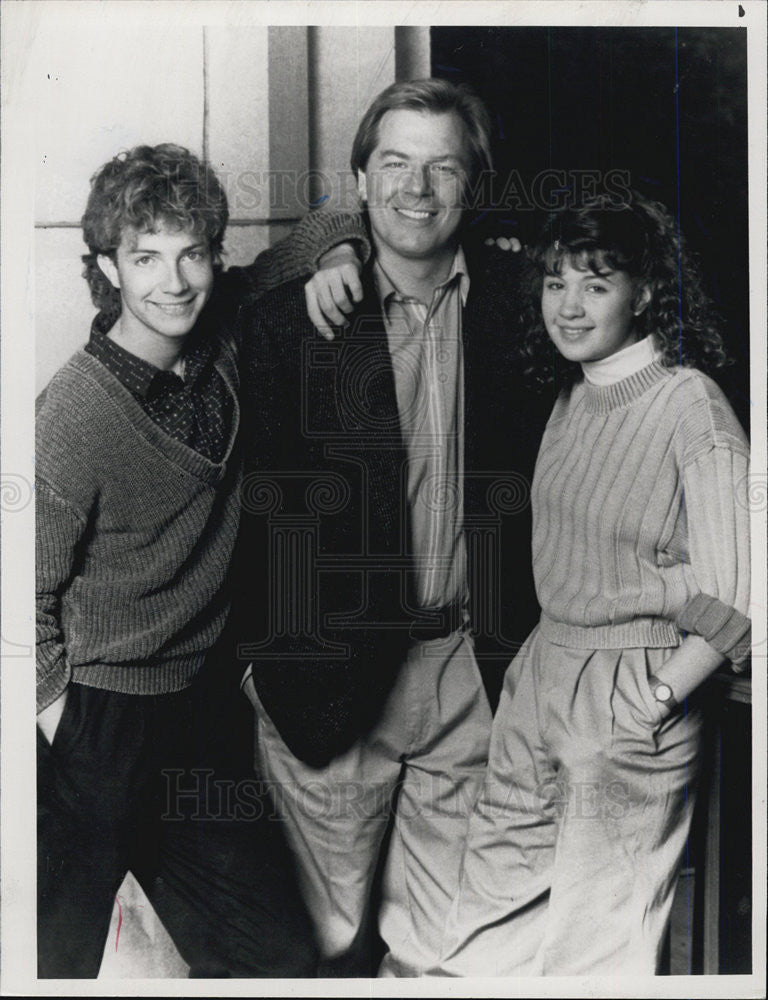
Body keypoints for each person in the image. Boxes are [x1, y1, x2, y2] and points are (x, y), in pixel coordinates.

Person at [233, 79, 549, 976]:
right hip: (326, 675)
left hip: (468, 672)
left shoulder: (521, 308)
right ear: (361, 181)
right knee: (322, 946)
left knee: (439, 950)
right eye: (395, 165)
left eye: (443, 167)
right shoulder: (292, 317)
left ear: (474, 186)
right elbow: (248, 506)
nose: (418, 188)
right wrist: (265, 666)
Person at [35, 142, 371, 978]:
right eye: (145, 257)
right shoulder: (72, 413)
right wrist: (63, 726)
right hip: (96, 722)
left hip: (199, 717)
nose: (173, 281)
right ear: (107, 268)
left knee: (277, 958)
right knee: (48, 964)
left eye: (192, 253)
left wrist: (338, 251)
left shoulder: (219, 337)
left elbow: (322, 222)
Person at [434, 191, 752, 976]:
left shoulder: (691, 405)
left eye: (596, 284)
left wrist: (656, 699)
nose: (568, 306)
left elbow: (742, 597)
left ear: (644, 294)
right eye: (555, 282)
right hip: (542, 676)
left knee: (592, 959)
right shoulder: (575, 391)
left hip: (632, 695)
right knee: (483, 931)